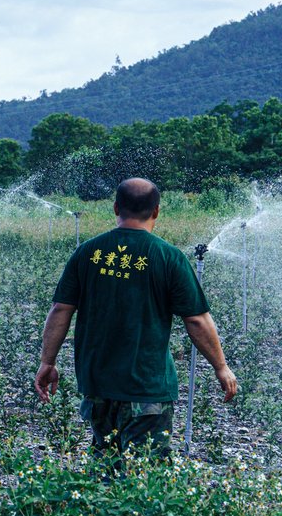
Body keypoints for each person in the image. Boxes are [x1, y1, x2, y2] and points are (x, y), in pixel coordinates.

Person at [33, 177, 237, 458]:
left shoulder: (87, 252)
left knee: (105, 463)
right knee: (146, 476)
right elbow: (197, 320)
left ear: (116, 208)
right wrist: (221, 366)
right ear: (156, 211)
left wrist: (47, 361)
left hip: (97, 384)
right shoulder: (169, 257)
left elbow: (60, 309)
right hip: (147, 387)